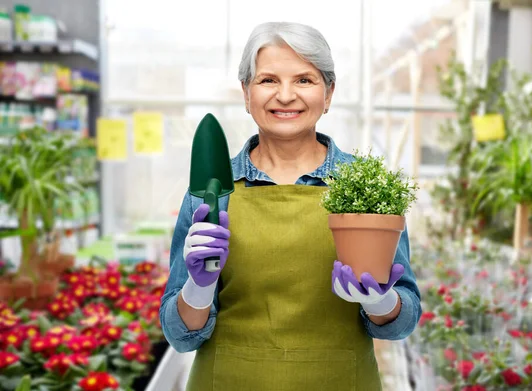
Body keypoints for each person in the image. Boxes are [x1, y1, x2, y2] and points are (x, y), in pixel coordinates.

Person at [159, 21, 422, 391]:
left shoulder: (364, 188)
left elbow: (403, 322)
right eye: (268, 80)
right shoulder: (211, 193)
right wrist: (197, 290)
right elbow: (179, 336)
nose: (285, 96)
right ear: (246, 93)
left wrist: (380, 301)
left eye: (304, 80)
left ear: (328, 94)